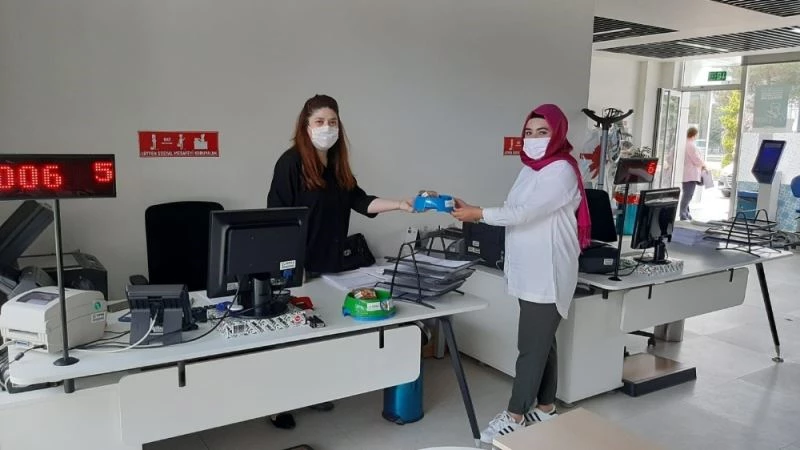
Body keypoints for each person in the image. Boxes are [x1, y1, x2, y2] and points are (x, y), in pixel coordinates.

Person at [266, 94, 413, 429]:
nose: (326, 128)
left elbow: (360, 201)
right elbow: (276, 217)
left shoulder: (336, 165)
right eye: (319, 122)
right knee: (292, 335)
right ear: (305, 126)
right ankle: (279, 403)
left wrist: (399, 205)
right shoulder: (290, 163)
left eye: (332, 122)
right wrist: (288, 267)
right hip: (297, 265)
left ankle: (311, 391)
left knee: (321, 330)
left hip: (329, 262)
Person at [451, 104, 591, 444]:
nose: (533, 138)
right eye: (529, 132)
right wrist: (475, 211)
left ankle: (515, 416)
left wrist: (478, 214)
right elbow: (513, 210)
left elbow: (526, 213)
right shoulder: (530, 169)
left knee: (530, 346)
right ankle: (545, 408)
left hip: (547, 270)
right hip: (529, 269)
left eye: (542, 132)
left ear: (558, 134)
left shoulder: (561, 169)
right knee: (543, 342)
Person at [680, 127, 706, 221]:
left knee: (687, 194)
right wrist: (704, 164)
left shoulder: (683, 143)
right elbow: (696, 160)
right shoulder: (691, 145)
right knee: (688, 195)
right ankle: (683, 214)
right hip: (690, 174)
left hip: (687, 174)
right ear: (694, 135)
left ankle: (686, 214)